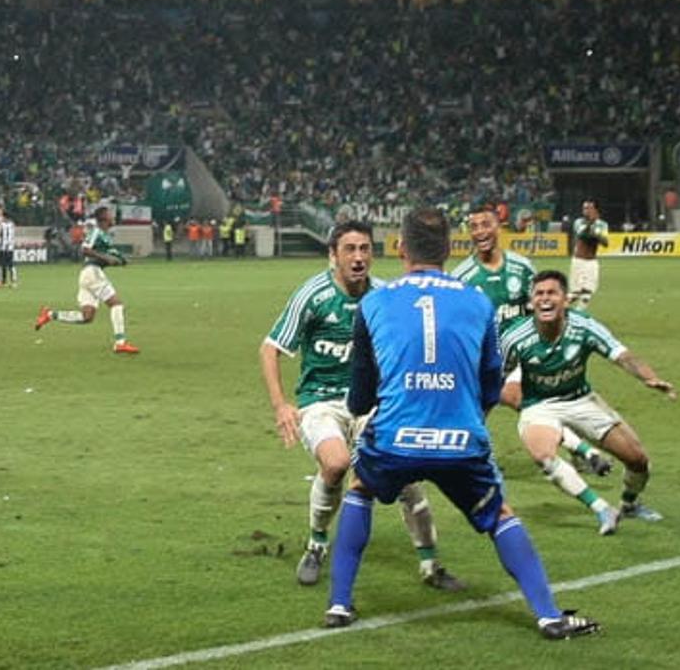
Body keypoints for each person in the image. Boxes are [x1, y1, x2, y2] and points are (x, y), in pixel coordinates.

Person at [323, 206, 597, 640]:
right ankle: (548, 615)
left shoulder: (374, 302)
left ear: (400, 248)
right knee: (499, 515)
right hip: (461, 439)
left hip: (396, 438)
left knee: (361, 489)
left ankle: (339, 604)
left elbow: (360, 394)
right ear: (450, 249)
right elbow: (493, 381)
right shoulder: (477, 302)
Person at [258, 220, 463, 590]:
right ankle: (317, 544)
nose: (358, 257)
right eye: (349, 250)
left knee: (407, 475)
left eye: (365, 249)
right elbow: (271, 347)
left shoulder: (384, 297)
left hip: (372, 403)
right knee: (335, 464)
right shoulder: (314, 294)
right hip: (321, 403)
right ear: (332, 255)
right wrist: (281, 406)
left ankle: (431, 564)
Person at [501, 270, 675, 535]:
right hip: (539, 406)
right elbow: (494, 375)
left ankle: (629, 504)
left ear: (566, 300)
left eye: (552, 293)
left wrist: (649, 378)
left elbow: (621, 355)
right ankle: (602, 509)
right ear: (530, 301)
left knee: (638, 461)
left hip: (581, 400)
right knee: (544, 456)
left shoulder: (583, 326)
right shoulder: (516, 337)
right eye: (539, 294)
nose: (545, 299)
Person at [452, 208, 610, 474]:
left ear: (498, 227)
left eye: (485, 224)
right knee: (472, 418)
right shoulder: (462, 277)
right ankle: (474, 461)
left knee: (523, 399)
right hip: (483, 359)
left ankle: (583, 450)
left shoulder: (522, 268)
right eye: (474, 226)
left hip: (521, 354)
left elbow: (541, 307)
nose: (480, 231)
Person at [34, 204, 137, 354]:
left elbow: (111, 254)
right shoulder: (96, 232)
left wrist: (121, 260)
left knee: (86, 317)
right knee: (116, 304)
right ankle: (120, 343)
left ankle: (49, 315)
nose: (113, 217)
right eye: (110, 215)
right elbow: (85, 249)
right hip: (92, 272)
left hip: (87, 275)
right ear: (104, 219)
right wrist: (106, 258)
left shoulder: (105, 236)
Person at [568, 200, 610, 309]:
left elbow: (605, 242)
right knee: (575, 294)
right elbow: (581, 234)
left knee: (588, 292)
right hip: (579, 261)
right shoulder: (579, 222)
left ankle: (578, 315)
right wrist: (591, 226)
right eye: (584, 208)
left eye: (589, 208)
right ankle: (558, 310)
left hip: (592, 262)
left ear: (595, 210)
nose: (585, 211)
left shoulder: (602, 224)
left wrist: (596, 232)